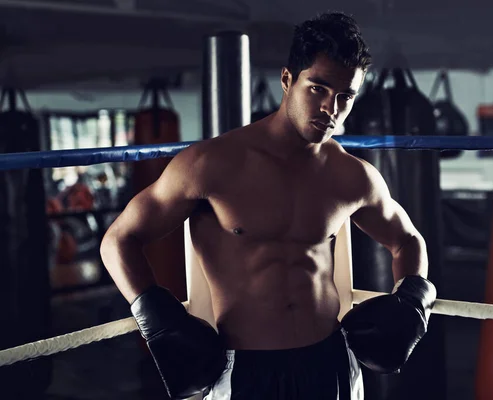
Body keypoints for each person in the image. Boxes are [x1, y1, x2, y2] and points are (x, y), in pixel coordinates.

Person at [100, 11, 437, 400]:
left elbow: (408, 240)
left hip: (330, 360)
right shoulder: (211, 164)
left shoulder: (351, 175)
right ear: (287, 80)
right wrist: (159, 318)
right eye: (318, 88)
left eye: (346, 96)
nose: (332, 107)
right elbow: (118, 240)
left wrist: (411, 300)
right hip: (244, 368)